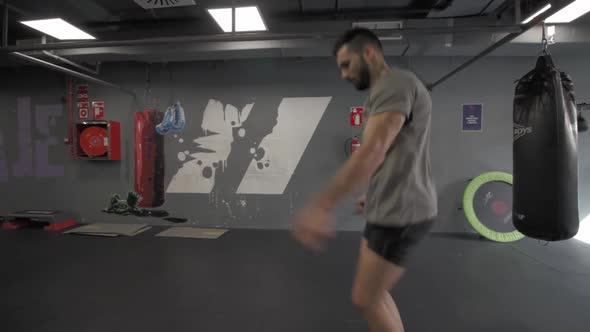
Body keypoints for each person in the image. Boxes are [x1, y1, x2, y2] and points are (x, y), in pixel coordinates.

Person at [291, 28, 438, 332]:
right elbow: (391, 152)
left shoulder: (395, 83)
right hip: (392, 206)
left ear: (369, 53)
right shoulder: (388, 90)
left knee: (366, 299)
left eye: (346, 64)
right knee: (373, 295)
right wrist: (373, 192)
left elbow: (372, 152)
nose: (343, 75)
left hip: (401, 212)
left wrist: (321, 206)